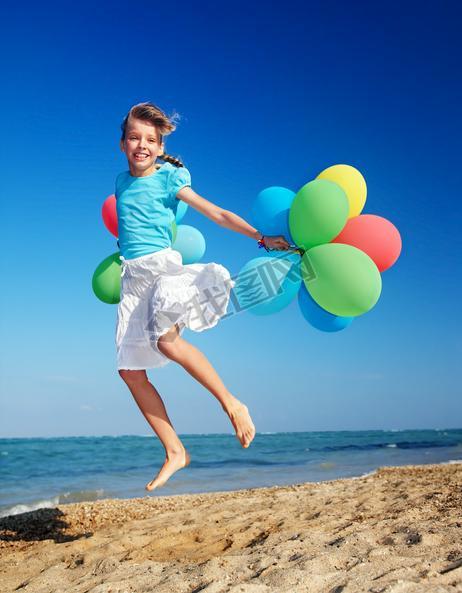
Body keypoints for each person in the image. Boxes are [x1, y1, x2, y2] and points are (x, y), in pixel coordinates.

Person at [115, 101, 291, 492]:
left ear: (160, 147)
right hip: (132, 280)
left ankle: (231, 402)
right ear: (123, 143)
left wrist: (261, 238)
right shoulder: (120, 182)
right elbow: (131, 224)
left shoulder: (169, 178)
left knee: (168, 341)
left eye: (150, 139)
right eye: (134, 137)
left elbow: (216, 213)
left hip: (161, 271)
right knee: (129, 371)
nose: (142, 145)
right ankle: (175, 451)